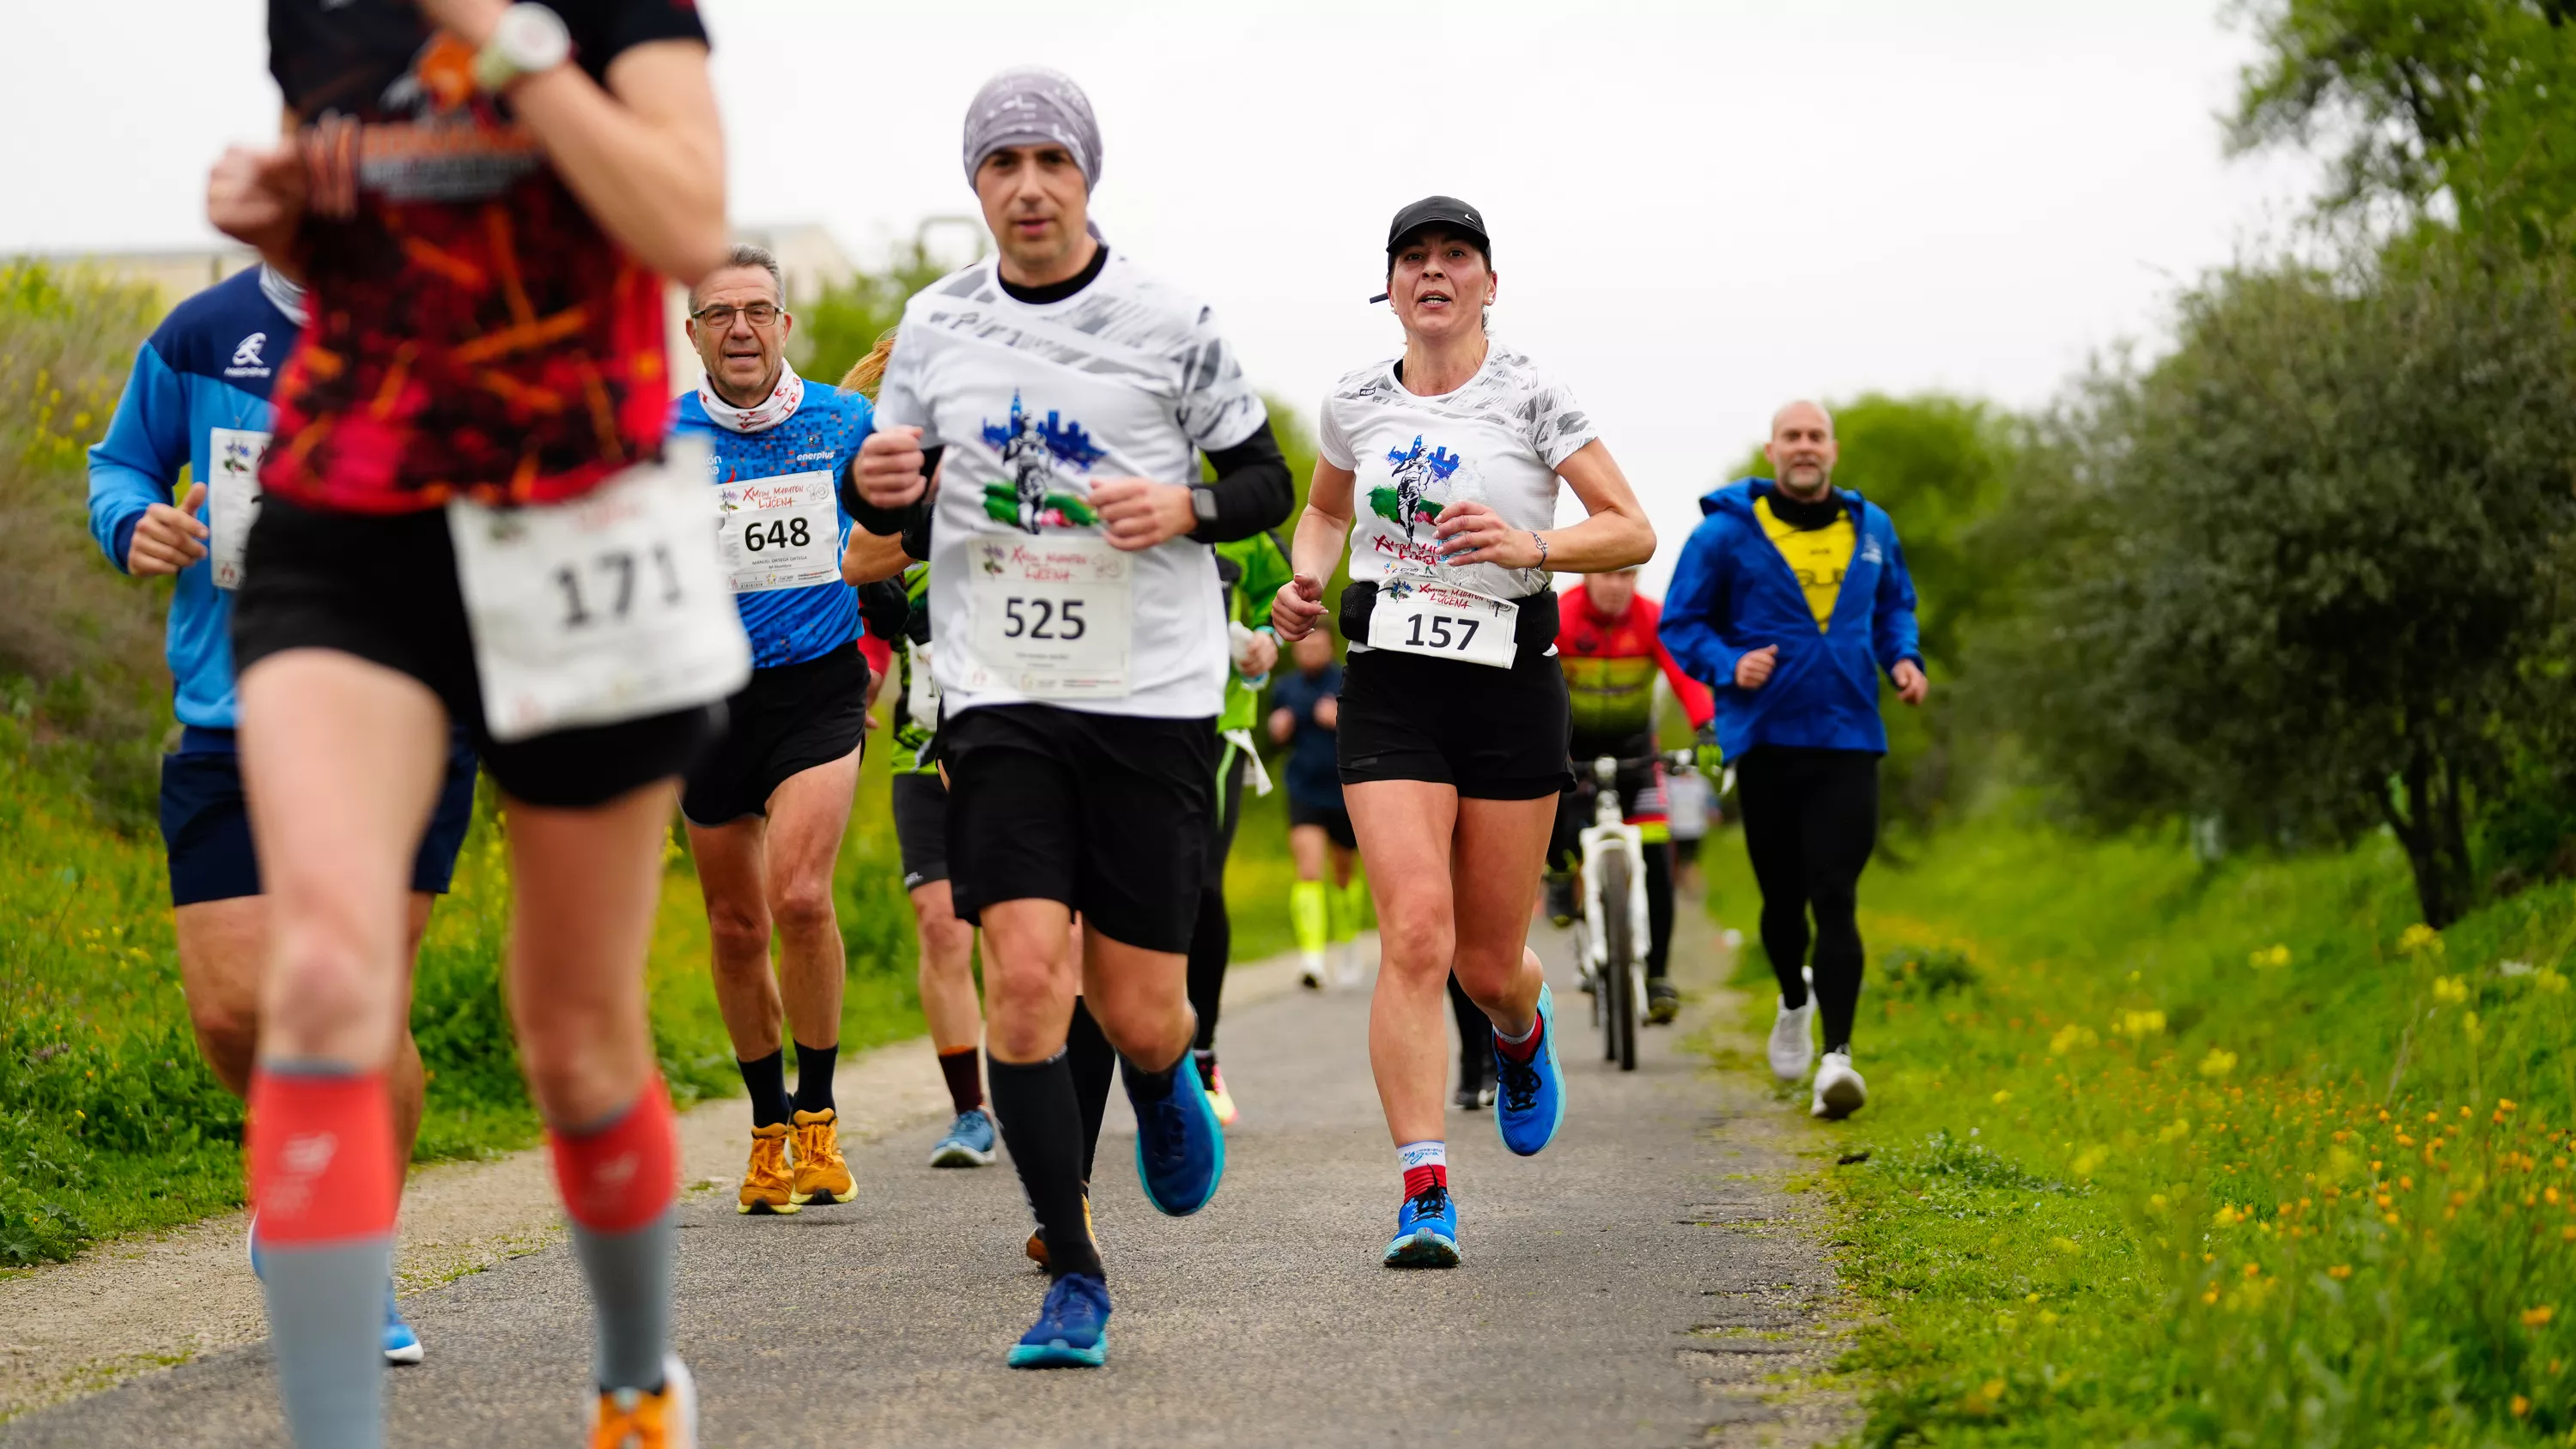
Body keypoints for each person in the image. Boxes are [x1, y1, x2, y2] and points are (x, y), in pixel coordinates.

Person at [209, 3, 732, 1444]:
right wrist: (280, 225)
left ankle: (634, 1377)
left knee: (573, 1040)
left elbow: (686, 223)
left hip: (577, 527)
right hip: (348, 520)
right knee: (321, 976)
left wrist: (505, 37)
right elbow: (388, 258)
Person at [847, 67, 1294, 1367]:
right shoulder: (933, 328)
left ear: (1086, 175)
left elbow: (1265, 477)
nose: (1028, 185)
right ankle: (1074, 1269)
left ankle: (1162, 1083)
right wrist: (868, 481)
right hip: (1002, 694)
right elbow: (896, 504)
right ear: (977, 186)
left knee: (1140, 1006)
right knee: (1029, 982)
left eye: (1051, 160)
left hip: (1148, 697)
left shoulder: (1171, 321)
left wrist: (1190, 511)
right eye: (1002, 164)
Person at [85, 261, 481, 1367]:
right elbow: (117, 463)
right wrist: (138, 523)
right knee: (229, 1008)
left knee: (364, 1005)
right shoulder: (204, 333)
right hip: (233, 714)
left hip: (407, 711)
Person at [1273, 196, 1654, 1270]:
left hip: (1507, 682)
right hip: (1390, 683)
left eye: (1455, 257)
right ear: (1390, 286)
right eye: (1413, 259)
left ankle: (1521, 1032)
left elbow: (1633, 524)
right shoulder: (1354, 397)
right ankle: (1424, 1186)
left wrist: (1532, 540)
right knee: (1416, 933)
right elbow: (1328, 511)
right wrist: (1306, 577)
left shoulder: (1533, 390)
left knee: (1489, 963)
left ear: (1491, 282)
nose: (1432, 272)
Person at [671, 244, 906, 1215]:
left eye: (757, 311)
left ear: (785, 326)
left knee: (801, 895)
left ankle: (818, 1115)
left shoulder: (845, 421)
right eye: (719, 313)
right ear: (693, 334)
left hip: (815, 681)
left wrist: (860, 558)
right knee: (735, 921)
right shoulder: (663, 436)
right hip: (705, 695)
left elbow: (907, 520)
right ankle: (767, 1127)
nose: (739, 329)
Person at [1659, 400, 1926, 1122]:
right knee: (1782, 903)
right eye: (1792, 437)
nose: (1804, 447)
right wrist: (1728, 662)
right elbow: (1679, 624)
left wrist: (1904, 659)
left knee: (1836, 893)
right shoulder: (1723, 534)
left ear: (1833, 450)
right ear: (1771, 450)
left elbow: (1895, 607)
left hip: (1848, 736)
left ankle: (1837, 1058)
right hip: (1768, 738)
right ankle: (1792, 998)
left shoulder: (1872, 529)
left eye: (1815, 436)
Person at [1548, 566, 1716, 1024]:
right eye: (1607, 575)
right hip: (1571, 748)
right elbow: (1529, 677)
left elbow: (1685, 677)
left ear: (1639, 577)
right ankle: (1560, 876)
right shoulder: (1563, 613)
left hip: (1637, 753)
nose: (1616, 585)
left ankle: (1658, 975)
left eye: (1627, 575)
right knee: (1553, 822)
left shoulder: (1653, 618)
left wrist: (1705, 726)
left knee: (1659, 861)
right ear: (1587, 577)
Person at [1190, 533, 1290, 1123]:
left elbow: (1282, 596)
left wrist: (1267, 641)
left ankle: (1202, 1052)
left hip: (1217, 727)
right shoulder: (1110, 481)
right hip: (1130, 726)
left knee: (1202, 886)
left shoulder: (1241, 513)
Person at [1266, 627, 1361, 991]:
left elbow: (1371, 731)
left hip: (1343, 790)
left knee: (1342, 873)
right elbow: (1272, 744)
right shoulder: (1285, 689)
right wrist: (1277, 730)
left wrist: (1341, 720)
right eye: (1304, 646)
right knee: (1308, 870)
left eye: (1318, 645)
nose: (1310, 651)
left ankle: (1349, 944)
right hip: (1303, 789)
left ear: (1330, 648)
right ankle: (1312, 958)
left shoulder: (1346, 680)